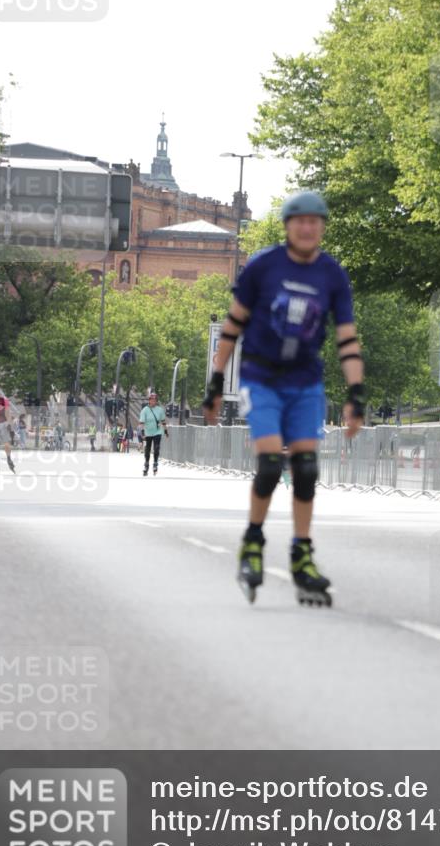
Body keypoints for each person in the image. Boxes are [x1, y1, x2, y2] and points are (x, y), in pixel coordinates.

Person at [202, 190, 365, 606]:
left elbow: (347, 339)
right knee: (272, 463)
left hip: (306, 381)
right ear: (288, 227)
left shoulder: (332, 275)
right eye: (300, 221)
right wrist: (217, 382)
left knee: (306, 469)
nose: (308, 228)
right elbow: (233, 325)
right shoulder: (264, 266)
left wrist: (356, 394)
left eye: (315, 222)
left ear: (322, 228)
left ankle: (301, 555)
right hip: (261, 378)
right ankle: (253, 540)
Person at [138, 391, 168, 476]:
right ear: (149, 400)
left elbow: (163, 421)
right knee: (147, 449)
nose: (154, 401)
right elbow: (141, 423)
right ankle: (146, 464)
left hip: (157, 431)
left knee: (157, 447)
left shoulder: (160, 410)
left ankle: (155, 463)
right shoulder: (145, 410)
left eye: (155, 400)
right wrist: (142, 433)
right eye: (152, 399)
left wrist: (166, 431)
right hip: (148, 432)